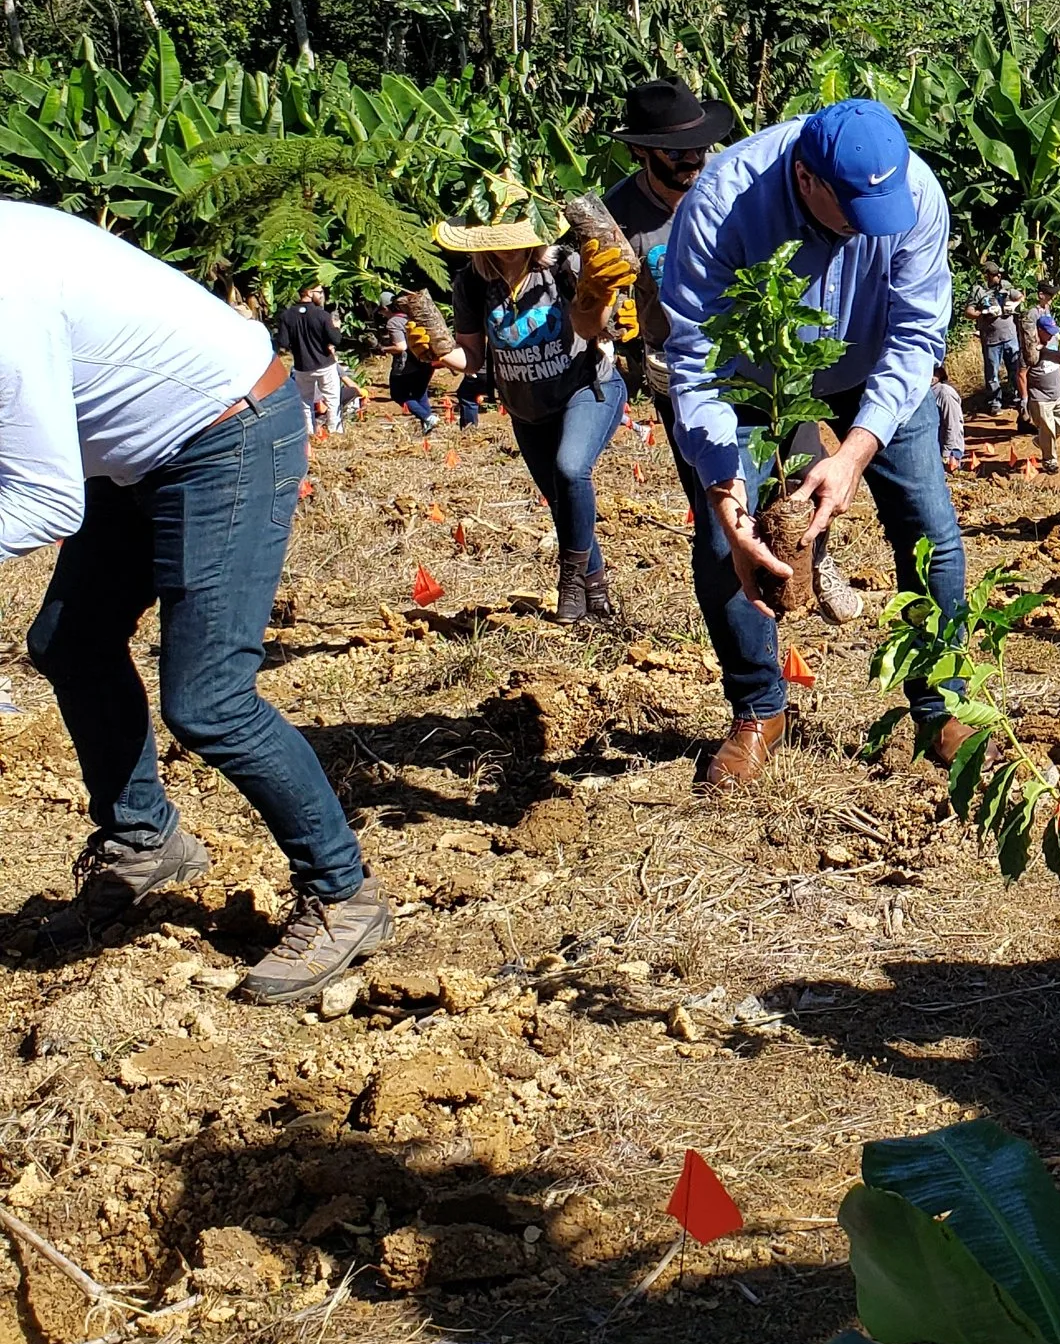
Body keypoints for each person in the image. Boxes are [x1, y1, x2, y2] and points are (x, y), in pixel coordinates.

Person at [0, 204, 391, 1003]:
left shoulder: (8, 285)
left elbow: (43, 498)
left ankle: (345, 894)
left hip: (226, 436)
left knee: (208, 698)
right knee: (69, 642)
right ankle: (144, 841)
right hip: (140, 457)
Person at [662, 95, 969, 760]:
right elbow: (695, 359)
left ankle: (941, 707)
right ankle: (759, 711)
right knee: (725, 546)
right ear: (807, 179)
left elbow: (917, 334)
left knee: (930, 527)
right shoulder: (720, 203)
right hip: (751, 376)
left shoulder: (916, 192)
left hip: (871, 362)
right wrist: (724, 495)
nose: (867, 228)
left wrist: (854, 453)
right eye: (854, 212)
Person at [602, 75, 786, 790]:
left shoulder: (740, 189)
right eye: (676, 152)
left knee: (782, 523)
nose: (693, 159)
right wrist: (595, 300)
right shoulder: (615, 221)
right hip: (685, 394)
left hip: (767, 382)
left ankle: (798, 577)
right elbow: (593, 322)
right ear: (644, 151)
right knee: (718, 544)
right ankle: (760, 706)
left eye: (699, 146)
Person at [437, 175, 633, 625]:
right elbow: (472, 358)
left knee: (570, 468)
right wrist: (438, 350)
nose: (507, 247)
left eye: (516, 235)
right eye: (497, 238)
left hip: (587, 387)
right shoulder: (471, 282)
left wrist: (601, 294)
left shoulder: (563, 266)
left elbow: (594, 326)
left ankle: (570, 580)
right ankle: (596, 595)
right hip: (526, 408)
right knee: (562, 499)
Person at [271, 282, 344, 439]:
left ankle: (309, 433)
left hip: (302, 366)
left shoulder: (286, 315)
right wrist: (336, 327)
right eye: (319, 292)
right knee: (332, 399)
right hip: (325, 363)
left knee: (305, 401)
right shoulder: (322, 315)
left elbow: (282, 342)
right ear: (309, 293)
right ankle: (334, 432)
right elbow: (336, 340)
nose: (322, 295)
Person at [385, 286, 458, 434]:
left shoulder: (393, 322)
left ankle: (428, 417)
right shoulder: (413, 317)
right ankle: (427, 425)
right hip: (425, 363)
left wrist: (383, 349)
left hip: (406, 366)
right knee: (420, 393)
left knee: (398, 395)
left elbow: (401, 347)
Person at [1021, 292, 1060, 468]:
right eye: (1048, 333)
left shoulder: (1052, 341)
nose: (1051, 335)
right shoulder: (1029, 351)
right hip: (1041, 397)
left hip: (1058, 392)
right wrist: (1024, 400)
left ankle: (1041, 441)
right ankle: (1049, 460)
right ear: (1039, 331)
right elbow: (1021, 374)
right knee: (1047, 429)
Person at [969, 258, 1022, 411]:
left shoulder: (1005, 286)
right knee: (992, 372)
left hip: (1010, 335)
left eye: (998, 274)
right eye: (993, 275)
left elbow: (1020, 296)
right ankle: (994, 401)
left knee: (1015, 367)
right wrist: (983, 312)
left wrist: (1014, 304)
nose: (997, 277)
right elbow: (969, 311)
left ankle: (1016, 396)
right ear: (986, 276)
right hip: (991, 338)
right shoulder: (978, 291)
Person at [934, 369, 968, 471]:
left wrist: (946, 453)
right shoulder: (928, 391)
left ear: (940, 374)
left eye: (934, 372)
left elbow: (953, 424)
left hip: (950, 450)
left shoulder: (945, 393)